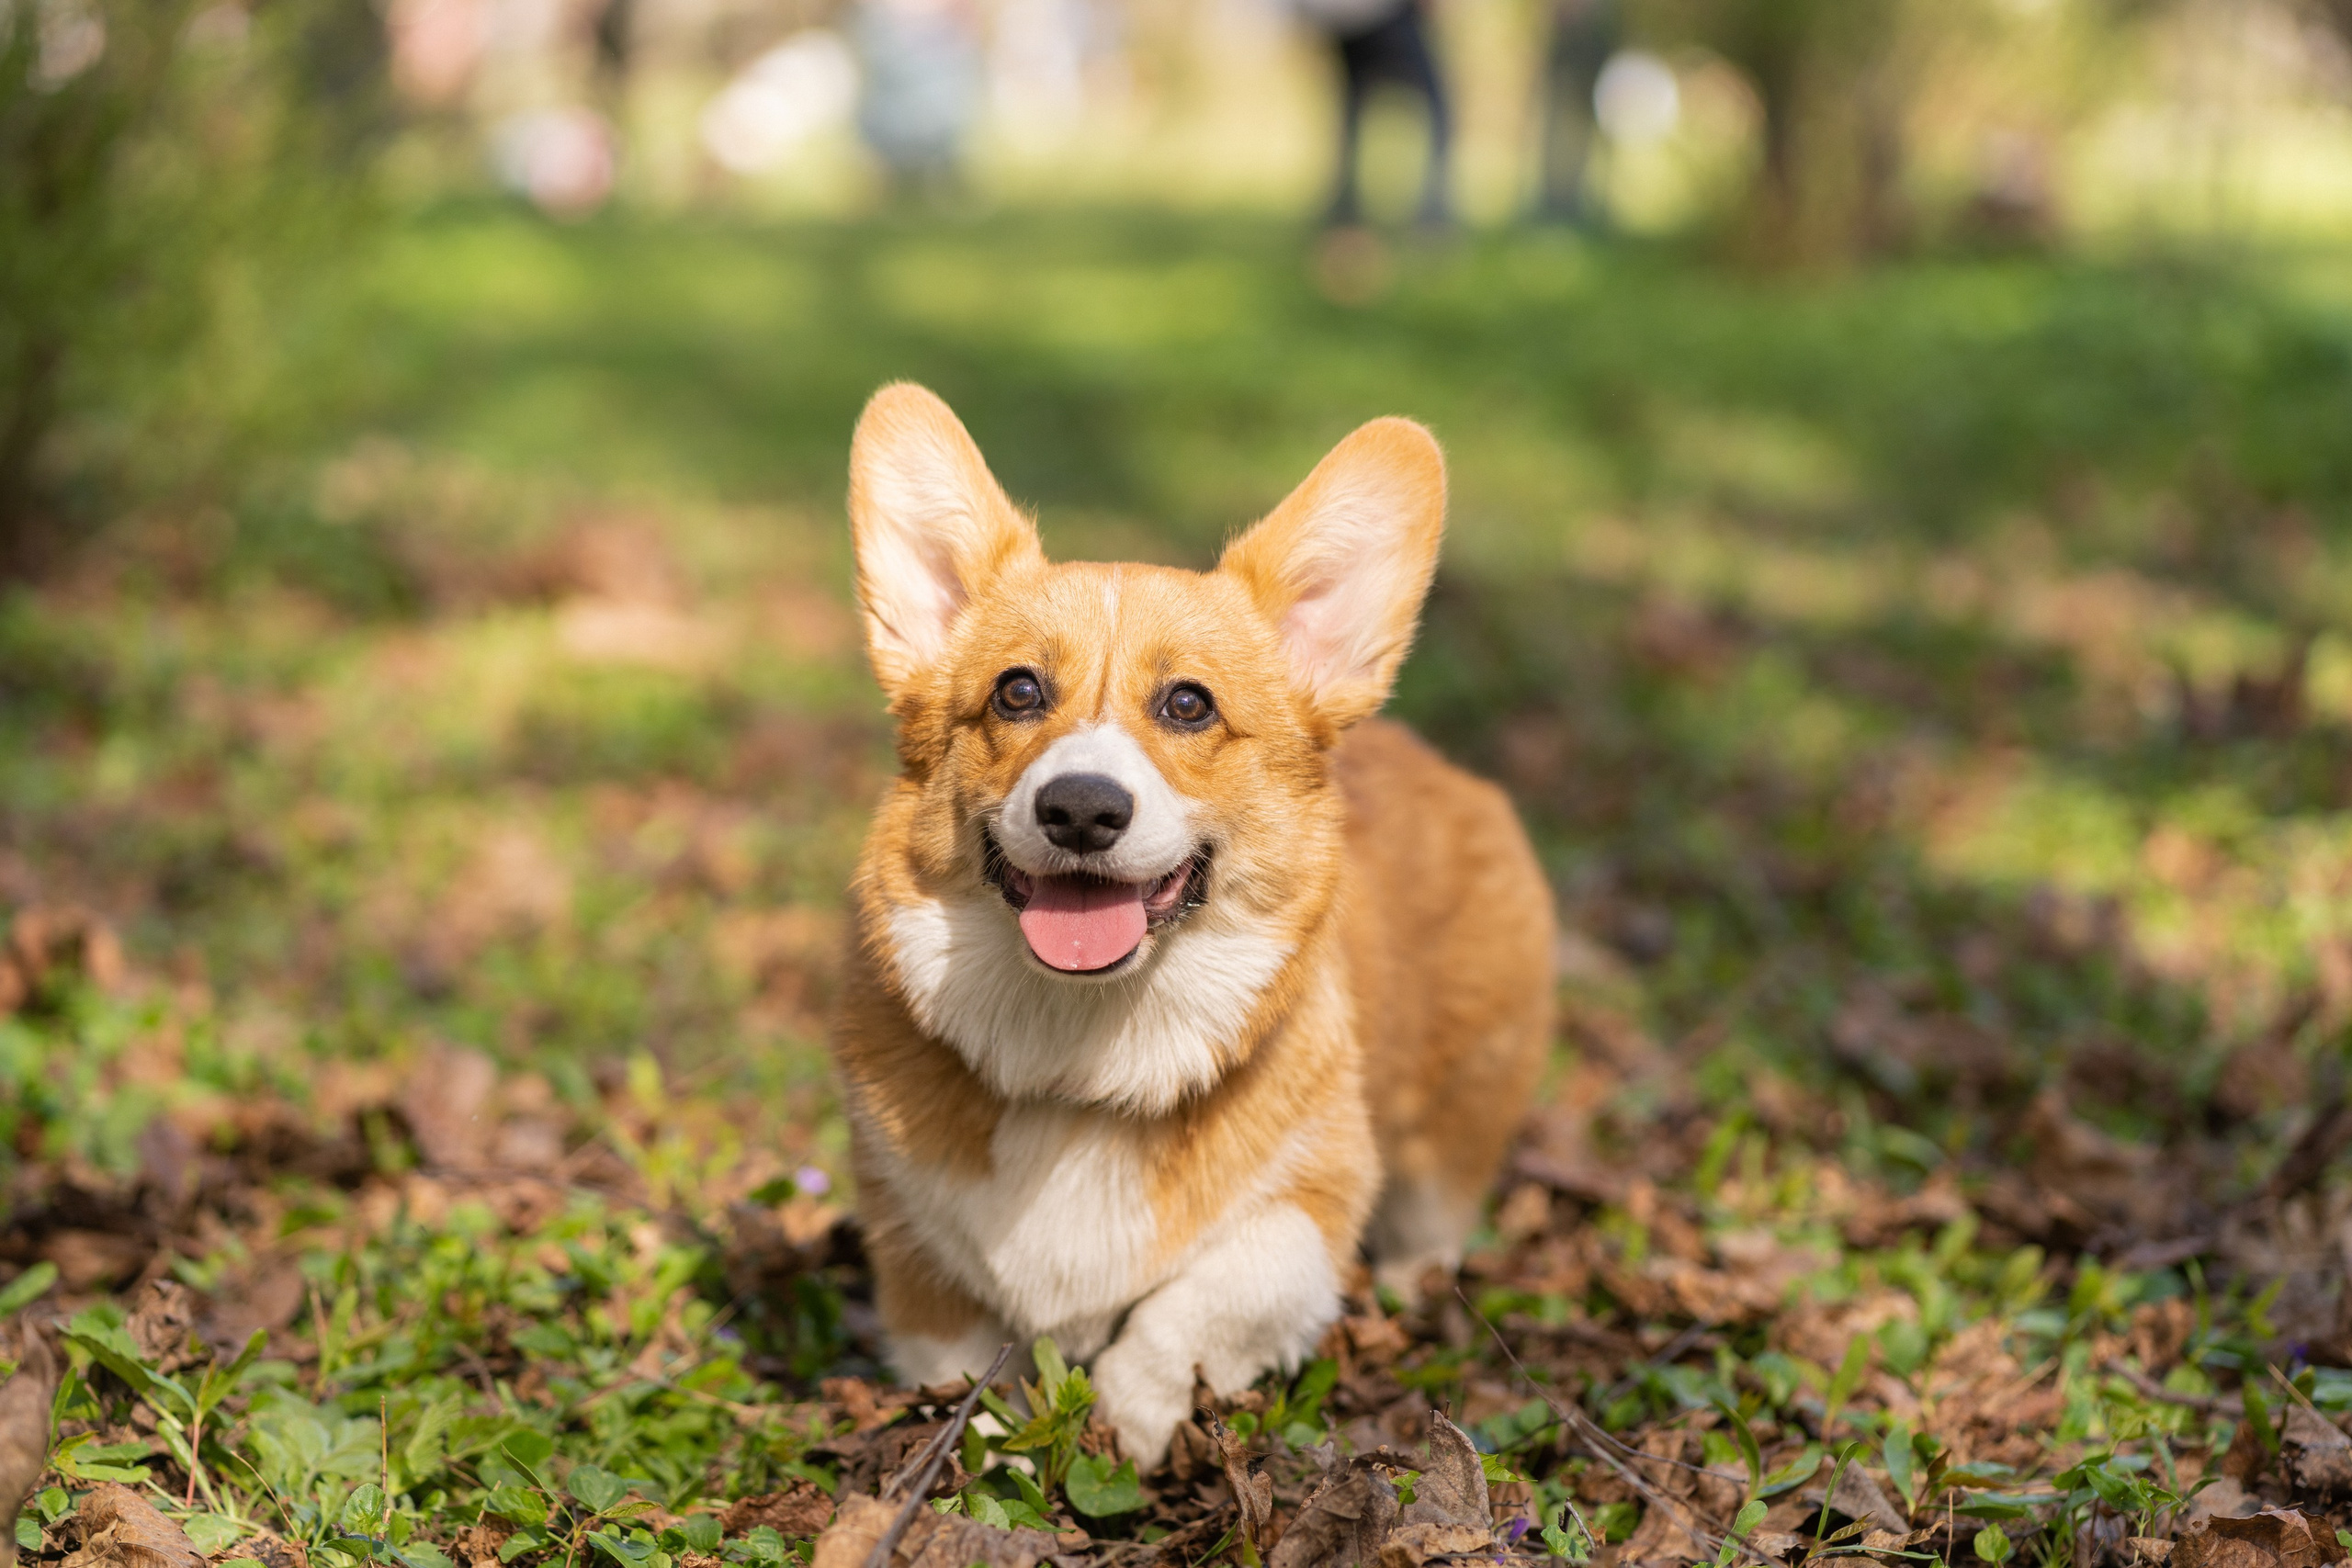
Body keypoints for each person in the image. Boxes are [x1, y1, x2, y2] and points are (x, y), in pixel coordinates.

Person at [1296, 0, 1452, 230]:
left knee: (1354, 107)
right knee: (1437, 107)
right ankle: (1431, 219)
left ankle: (1344, 218)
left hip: (1341, 17)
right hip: (1381, 14)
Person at [1535, 0, 1619, 226]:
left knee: (1584, 125)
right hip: (1568, 43)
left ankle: (1575, 202)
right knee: (1559, 123)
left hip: (1594, 44)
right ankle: (1553, 203)